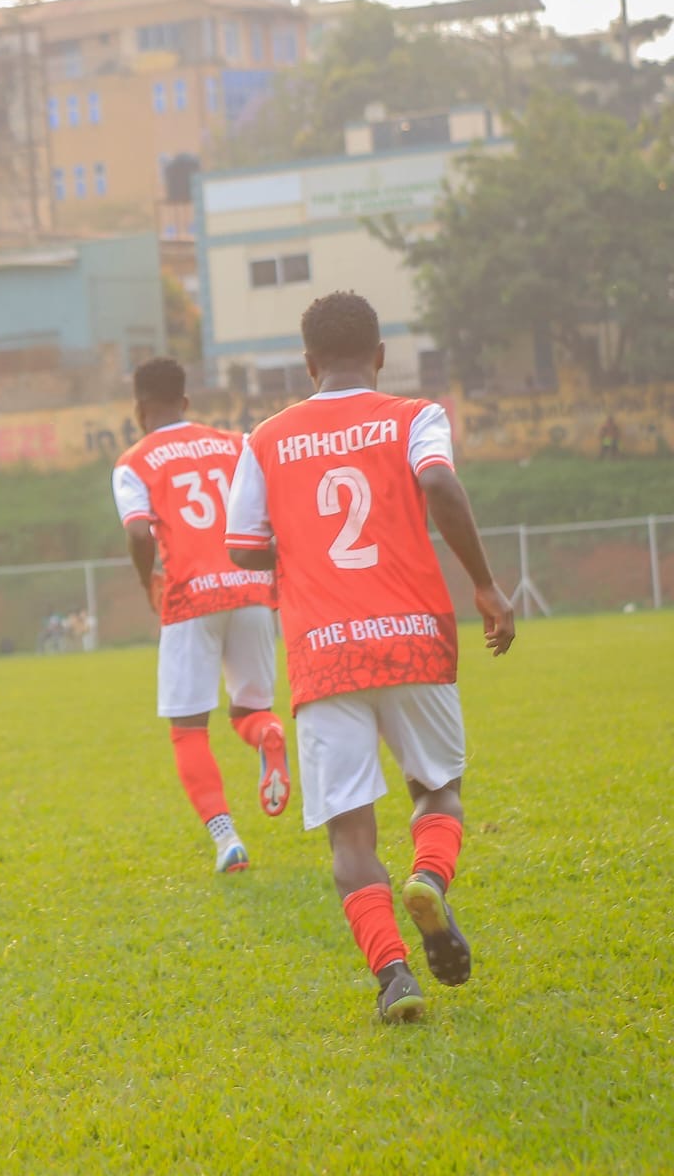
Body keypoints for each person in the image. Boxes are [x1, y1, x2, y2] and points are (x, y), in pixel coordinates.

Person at [224, 291, 515, 1023]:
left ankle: (393, 976)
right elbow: (440, 483)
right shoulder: (414, 417)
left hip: (326, 657)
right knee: (437, 791)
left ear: (308, 362)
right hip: (413, 639)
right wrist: (483, 585)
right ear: (381, 355)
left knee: (350, 833)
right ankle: (429, 876)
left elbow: (242, 546)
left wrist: (296, 541)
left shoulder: (264, 438)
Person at [112, 357, 289, 876]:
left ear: (139, 409)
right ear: (186, 402)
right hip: (251, 589)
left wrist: (150, 581)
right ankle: (270, 734)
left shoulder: (135, 461)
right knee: (250, 711)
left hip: (191, 599)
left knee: (189, 730)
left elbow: (139, 531)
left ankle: (226, 837)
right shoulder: (238, 445)